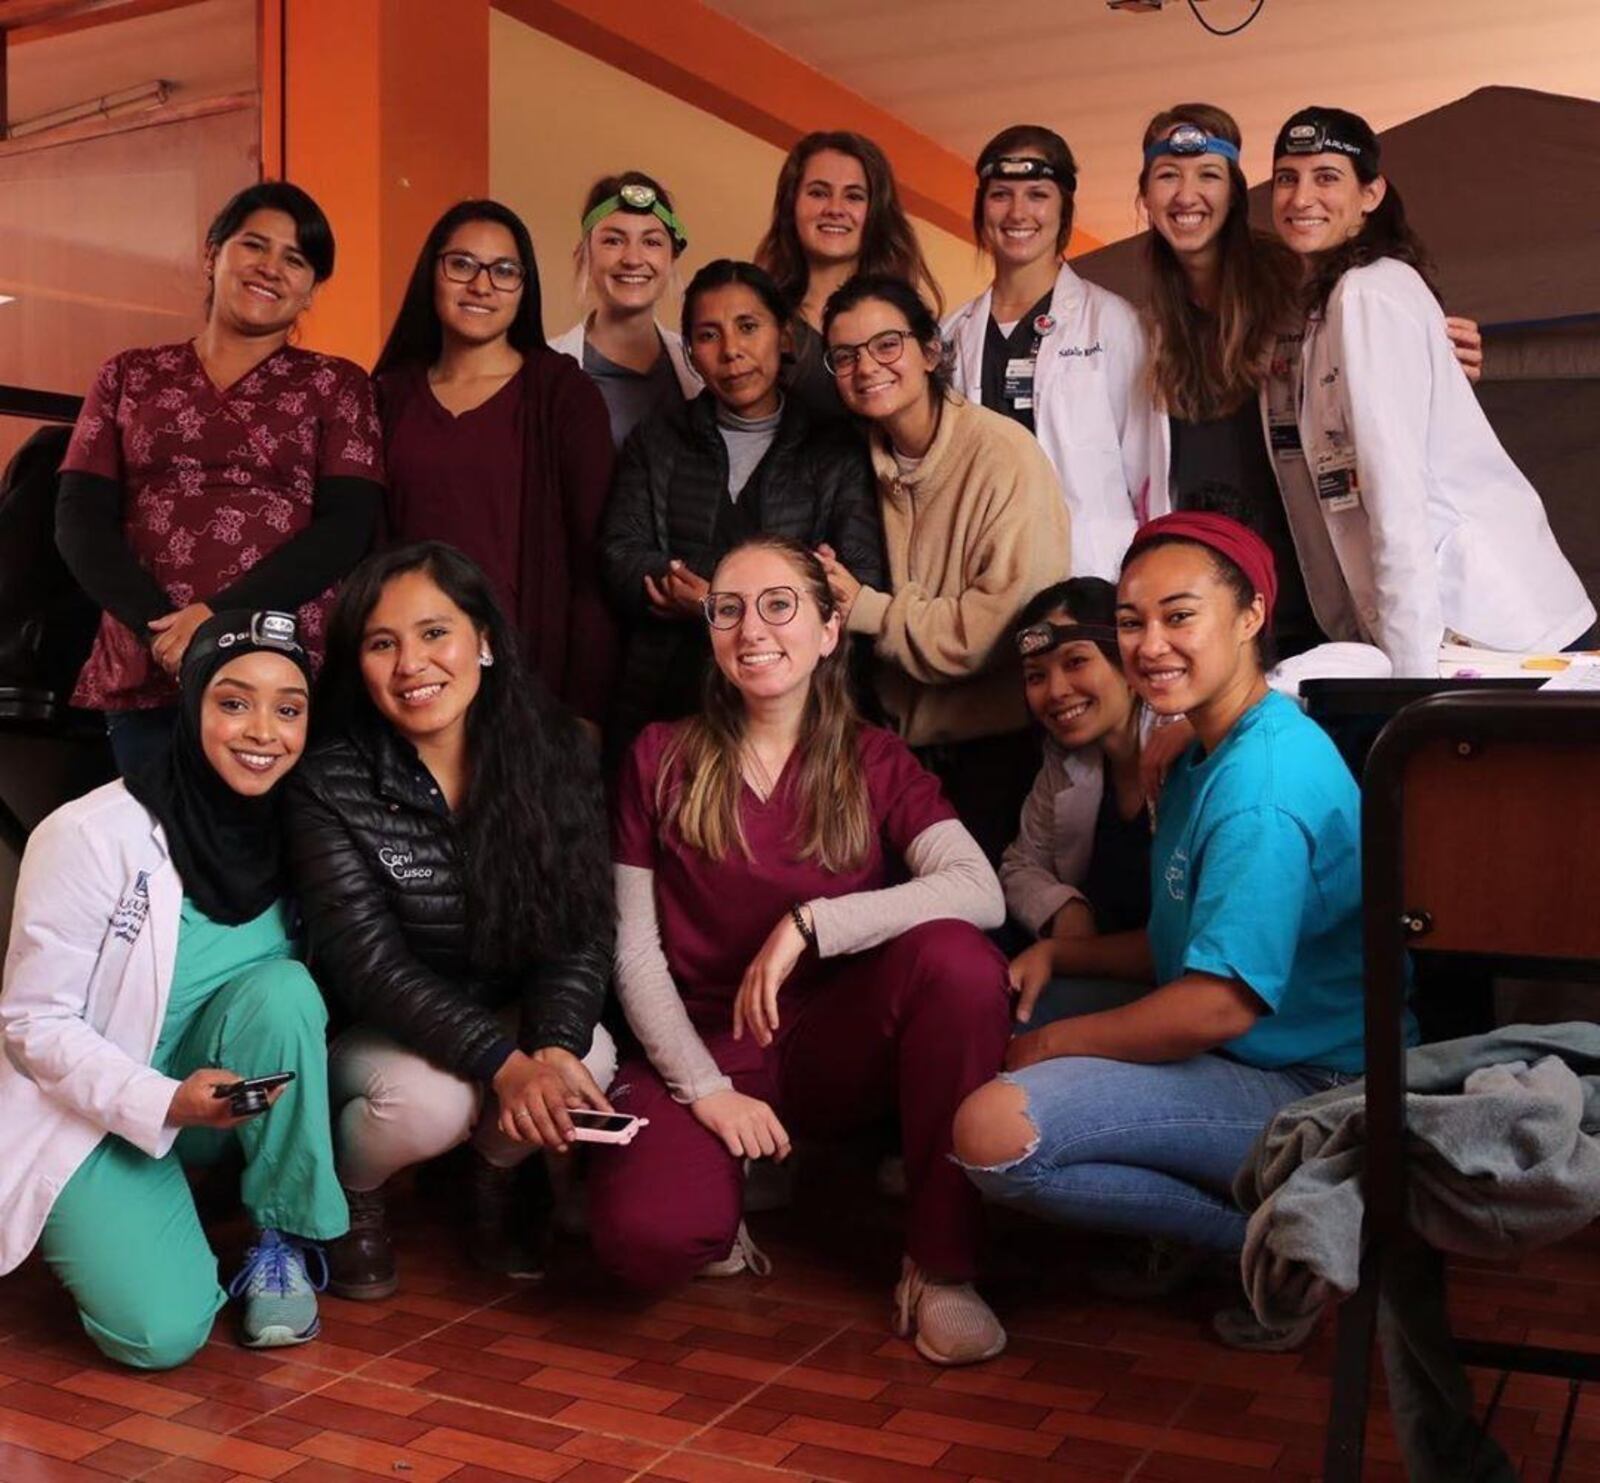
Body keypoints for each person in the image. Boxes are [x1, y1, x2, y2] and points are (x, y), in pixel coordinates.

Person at [953, 513, 1391, 1350]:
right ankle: (1232, 1215)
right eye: (1130, 621)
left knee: (993, 1134)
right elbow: (1180, 942)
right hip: (1242, 1043)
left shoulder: (1260, 784)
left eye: (1179, 616)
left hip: (1311, 1079)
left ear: (1252, 615)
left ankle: (1279, 1245)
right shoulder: (1199, 745)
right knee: (988, 1014)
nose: (1150, 644)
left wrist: (1056, 1048)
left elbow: (1214, 1006)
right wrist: (1062, 950)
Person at [589, 534, 1013, 1365]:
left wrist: (813, 921)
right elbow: (632, 954)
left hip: (836, 1042)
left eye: (779, 604)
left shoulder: (875, 758)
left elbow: (980, 890)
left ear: (828, 629)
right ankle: (732, 1186)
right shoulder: (656, 755)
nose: (753, 628)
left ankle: (940, 1267)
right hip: (707, 1045)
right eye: (728, 608)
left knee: (958, 961)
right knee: (645, 1240)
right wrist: (707, 1090)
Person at [0, 611, 346, 1367]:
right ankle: (148, 1225)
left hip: (212, 1107)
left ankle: (277, 1238)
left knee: (285, 991)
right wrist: (164, 1103)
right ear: (190, 704)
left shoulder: (303, 831)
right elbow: (33, 1025)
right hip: (90, 1113)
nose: (263, 730)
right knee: (162, 1334)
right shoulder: (91, 834)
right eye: (233, 701)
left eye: (288, 708)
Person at [287, 542, 615, 1298]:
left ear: (485, 642)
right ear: (357, 664)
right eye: (381, 643)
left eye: (435, 632)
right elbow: (368, 965)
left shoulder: (560, 749)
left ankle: (489, 1179)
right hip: (379, 1029)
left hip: (498, 1010)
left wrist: (553, 1044)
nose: (412, 664)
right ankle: (352, 1192)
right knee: (429, 1103)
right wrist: (506, 1062)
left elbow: (582, 927)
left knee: (587, 1059)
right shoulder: (328, 780)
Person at [1134, 105, 1500, 676]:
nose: (1187, 195)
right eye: (1167, 176)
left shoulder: (1297, 275)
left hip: (1315, 582)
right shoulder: (1144, 322)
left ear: (1235, 191)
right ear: (1145, 195)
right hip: (1215, 596)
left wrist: (1441, 355)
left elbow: (1380, 352)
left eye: (1207, 174)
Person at [56, 182, 383, 777]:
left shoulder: (337, 385)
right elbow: (78, 519)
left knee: (268, 861)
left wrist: (218, 618)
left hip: (277, 667)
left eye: (296, 259)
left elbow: (349, 525)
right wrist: (163, 632)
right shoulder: (130, 374)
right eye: (254, 246)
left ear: (312, 289)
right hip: (146, 662)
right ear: (212, 255)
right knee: (151, 858)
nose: (272, 269)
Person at [1267, 106, 1596, 671]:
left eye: (1326, 177)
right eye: (1287, 178)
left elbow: (1395, 492)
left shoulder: (1367, 293)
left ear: (1370, 195)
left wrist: (1410, 680)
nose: (1301, 198)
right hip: (1467, 628)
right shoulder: (1335, 302)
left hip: (1493, 630)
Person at [817, 274, 1070, 862]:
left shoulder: (1003, 456)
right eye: (845, 356)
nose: (867, 367)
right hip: (889, 751)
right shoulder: (849, 463)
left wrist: (867, 610)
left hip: (994, 755)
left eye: (887, 344)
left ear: (930, 351)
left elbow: (992, 635)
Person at [599, 259, 883, 749]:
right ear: (689, 352)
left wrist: (713, 602)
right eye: (709, 336)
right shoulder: (658, 440)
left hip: (797, 709)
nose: (731, 351)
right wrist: (774, 594)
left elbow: (859, 575)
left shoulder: (833, 448)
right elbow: (620, 554)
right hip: (666, 700)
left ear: (785, 337)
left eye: (748, 327)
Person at [374, 200, 618, 726]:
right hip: (409, 679)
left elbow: (594, 565)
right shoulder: (387, 397)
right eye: (461, 264)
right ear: (430, 273)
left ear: (524, 287)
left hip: (529, 687)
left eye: (504, 271)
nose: (481, 285)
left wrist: (584, 711)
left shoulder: (562, 394)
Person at [943, 126, 1151, 581]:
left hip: (1092, 572)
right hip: (984, 577)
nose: (1018, 212)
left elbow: (1147, 468)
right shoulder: (951, 334)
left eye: (1037, 194)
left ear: (1064, 211)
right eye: (1000, 195)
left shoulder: (1113, 323)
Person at [1000, 578, 1155, 1021]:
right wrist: (1061, 907)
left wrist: (1066, 955)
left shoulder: (1188, 750)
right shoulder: (1067, 762)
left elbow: (1189, 939)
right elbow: (1020, 864)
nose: (1056, 690)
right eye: (1036, 676)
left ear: (1127, 660)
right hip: (1105, 973)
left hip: (1186, 988)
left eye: (1076, 662)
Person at [754, 131, 940, 423]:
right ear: (791, 205)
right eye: (818, 193)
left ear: (876, 211)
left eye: (854, 196)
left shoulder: (909, 321)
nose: (835, 209)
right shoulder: (761, 322)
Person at [549, 171, 702, 448]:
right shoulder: (545, 370)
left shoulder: (701, 367)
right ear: (584, 253)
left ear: (672, 257)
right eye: (613, 241)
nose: (633, 259)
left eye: (651, 242)